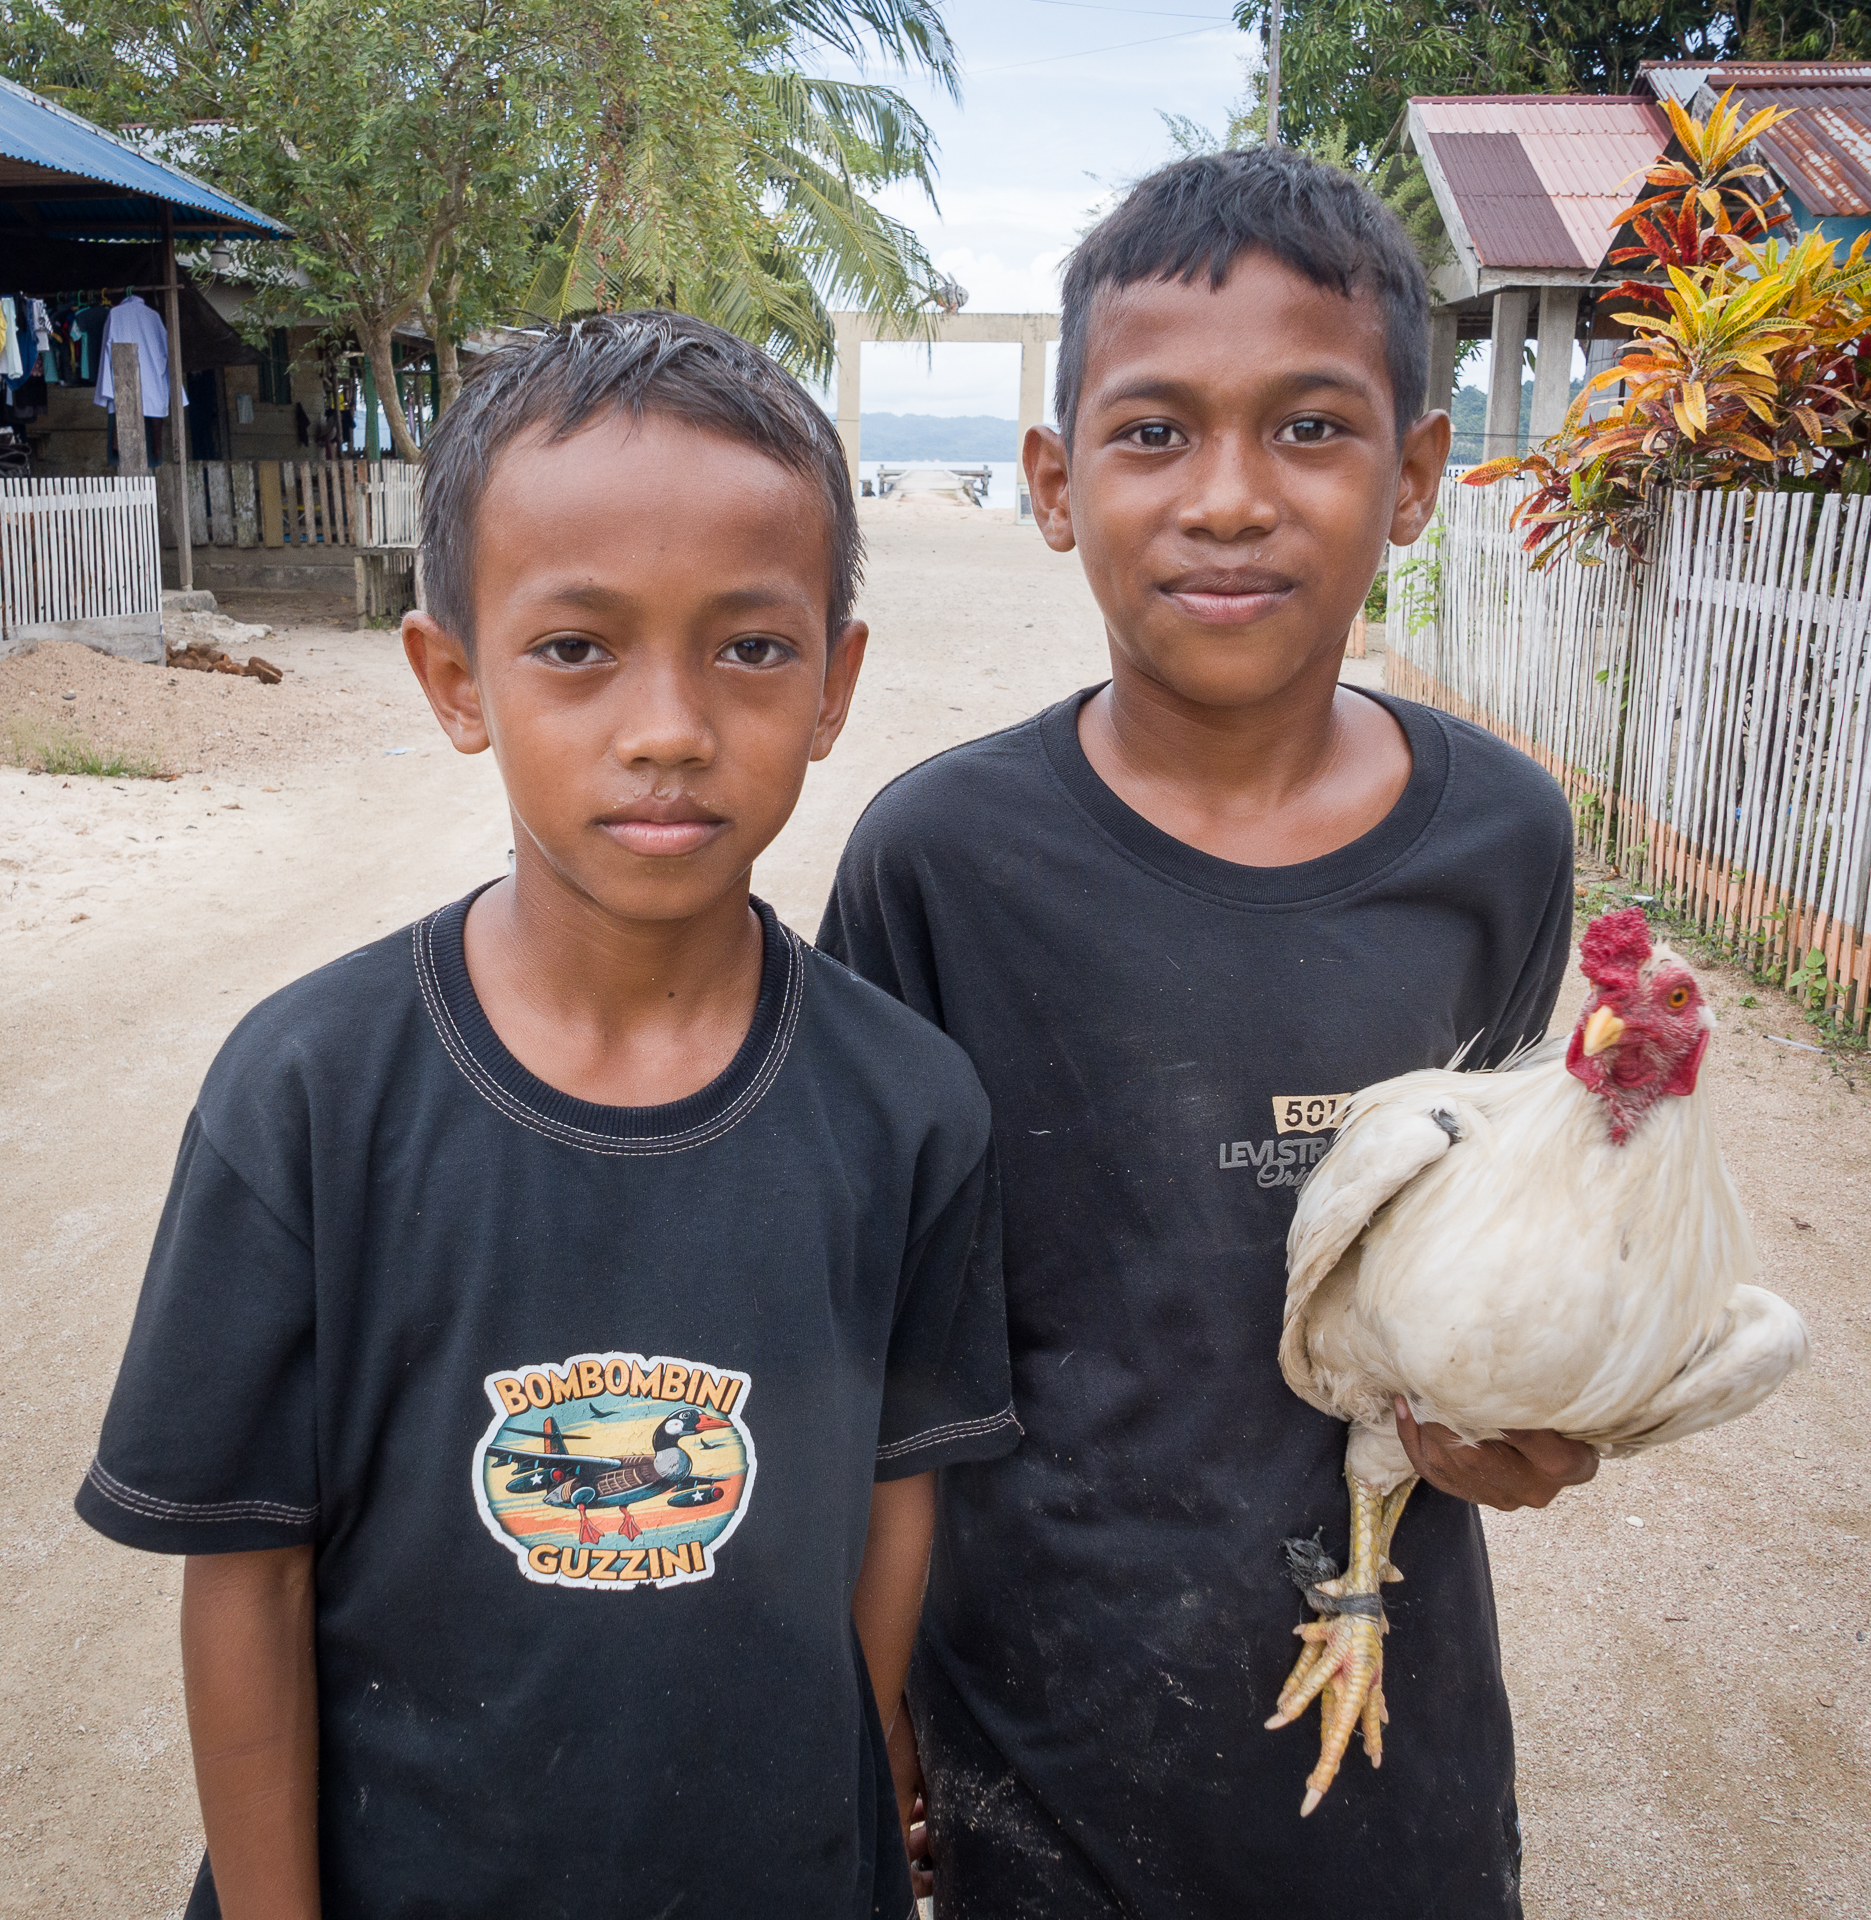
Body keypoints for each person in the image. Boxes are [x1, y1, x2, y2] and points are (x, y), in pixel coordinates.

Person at [74, 312, 1018, 1920]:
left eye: (751, 647)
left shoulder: (910, 1109)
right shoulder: (306, 1097)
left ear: (837, 682)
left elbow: (893, 1511)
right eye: (577, 648)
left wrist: (850, 1817)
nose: (669, 727)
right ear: (455, 680)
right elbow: (245, 1582)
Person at [818, 147, 1593, 1917]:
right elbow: (867, 1339)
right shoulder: (939, 863)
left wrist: (1519, 1421)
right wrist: (867, 1694)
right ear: (1055, 483)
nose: (1228, 499)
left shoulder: (1501, 843)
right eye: (1155, 432)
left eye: (1310, 429)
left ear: (1414, 476)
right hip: (1036, 1754)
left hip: (1396, 1745)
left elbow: (1488, 1243)